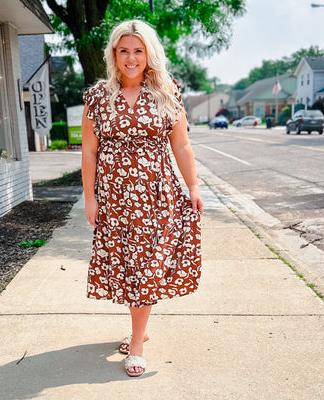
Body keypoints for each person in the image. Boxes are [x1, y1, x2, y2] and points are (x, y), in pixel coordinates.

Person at [82, 19, 203, 378]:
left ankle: (136, 343)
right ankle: (140, 327)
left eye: (138, 50)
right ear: (114, 54)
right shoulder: (97, 97)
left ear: (148, 54)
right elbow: (89, 151)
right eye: (124, 50)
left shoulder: (167, 92)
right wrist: (90, 198)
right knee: (128, 265)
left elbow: (180, 144)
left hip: (157, 194)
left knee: (149, 264)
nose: (131, 58)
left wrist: (193, 186)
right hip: (116, 198)